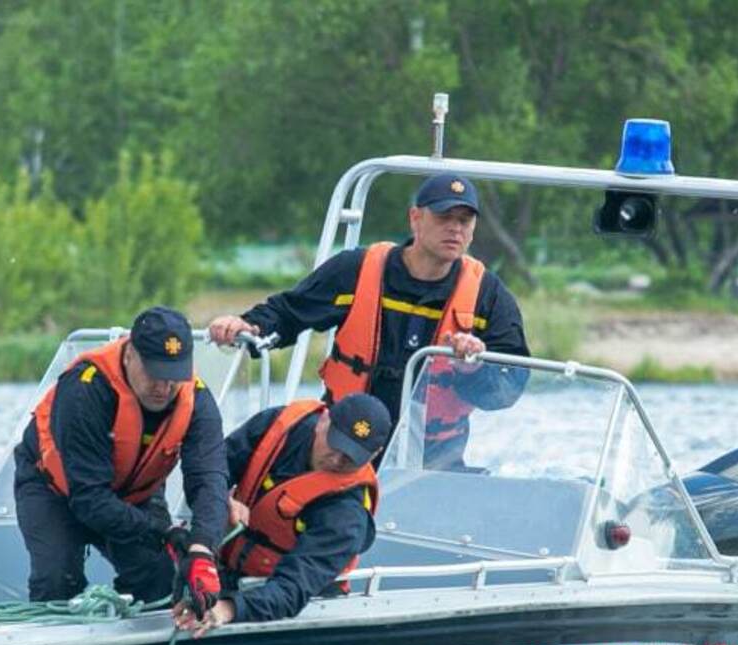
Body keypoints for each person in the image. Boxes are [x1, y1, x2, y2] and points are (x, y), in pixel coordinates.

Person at [205, 173, 530, 466]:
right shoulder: (355, 271)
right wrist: (247, 326)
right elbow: (290, 310)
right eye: (445, 216)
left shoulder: (488, 296)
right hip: (343, 443)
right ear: (415, 218)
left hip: (434, 459)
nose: (455, 228)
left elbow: (510, 384)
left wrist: (473, 367)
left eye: (465, 220)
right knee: (271, 440)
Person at [14, 306, 228, 610]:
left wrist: (202, 549)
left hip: (135, 493)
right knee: (56, 579)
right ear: (129, 354)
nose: (163, 387)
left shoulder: (197, 401)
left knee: (164, 577)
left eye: (173, 375)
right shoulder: (84, 389)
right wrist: (162, 532)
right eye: (154, 373)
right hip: (54, 489)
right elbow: (89, 499)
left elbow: (210, 478)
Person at [174, 393, 390, 638]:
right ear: (323, 420)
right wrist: (221, 501)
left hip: (298, 600)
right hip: (230, 571)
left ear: (374, 455)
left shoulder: (347, 515)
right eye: (335, 444)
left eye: (352, 457)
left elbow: (292, 590)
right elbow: (209, 473)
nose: (337, 460)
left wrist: (228, 609)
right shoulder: (278, 425)